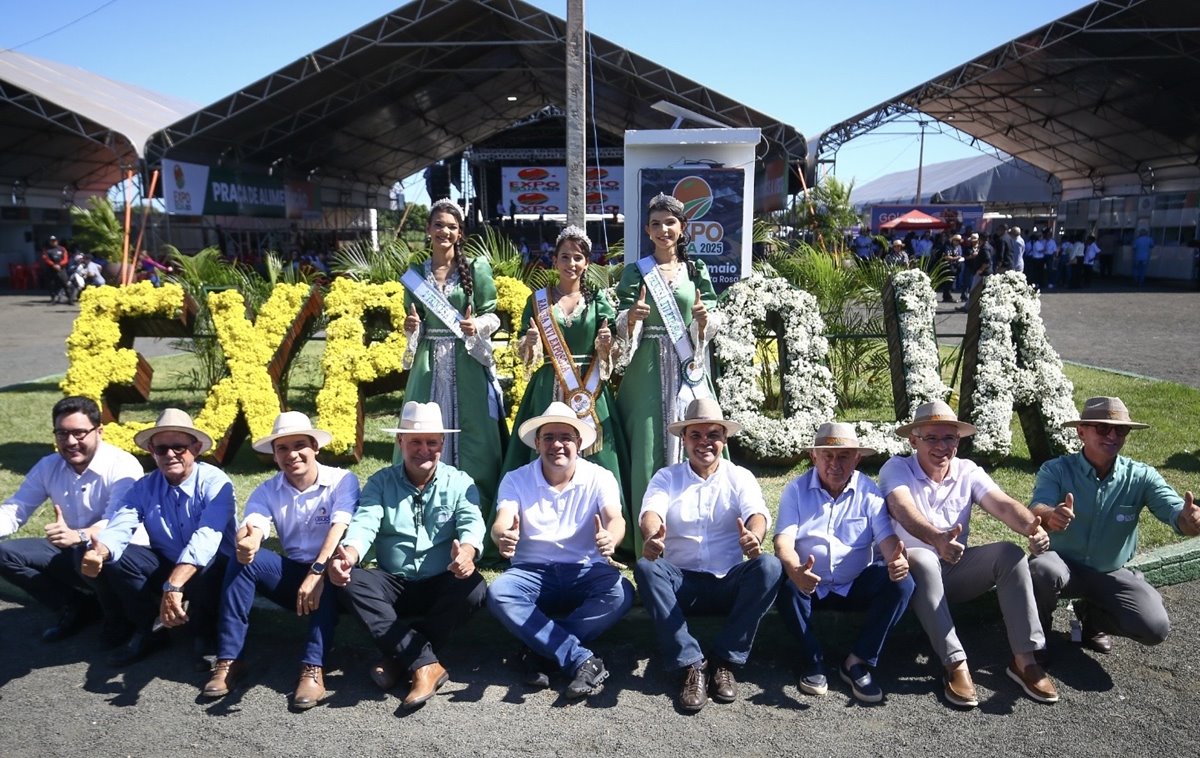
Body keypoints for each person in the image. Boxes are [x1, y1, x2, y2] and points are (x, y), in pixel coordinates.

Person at [880, 401, 1058, 708]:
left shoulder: (967, 471)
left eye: (949, 438)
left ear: (958, 441)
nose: (941, 446)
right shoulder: (896, 468)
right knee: (921, 558)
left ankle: (1024, 660)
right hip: (909, 577)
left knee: (1010, 554)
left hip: (953, 569)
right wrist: (936, 538)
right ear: (913, 440)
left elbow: (1002, 504)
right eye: (931, 438)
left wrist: (1032, 527)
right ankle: (955, 664)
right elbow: (902, 509)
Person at [329, 401, 485, 710]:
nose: (423, 449)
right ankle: (425, 664)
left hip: (442, 578)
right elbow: (365, 523)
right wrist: (349, 554)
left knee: (475, 588)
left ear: (443, 443)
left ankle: (400, 658)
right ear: (400, 442)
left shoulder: (460, 482)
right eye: (415, 441)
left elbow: (472, 524)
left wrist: (466, 554)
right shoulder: (380, 482)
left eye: (431, 442)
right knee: (350, 582)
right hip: (393, 582)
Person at [202, 412, 360, 710]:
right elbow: (255, 524)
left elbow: (341, 529)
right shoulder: (267, 490)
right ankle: (229, 658)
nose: (292, 455)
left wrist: (317, 572)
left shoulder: (342, 480)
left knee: (328, 573)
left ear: (315, 447)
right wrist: (248, 542)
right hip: (293, 575)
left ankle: (313, 667)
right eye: (282, 449)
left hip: (335, 570)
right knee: (243, 562)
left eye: (299, 445)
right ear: (274, 456)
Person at [634, 398, 782, 711]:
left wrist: (754, 537)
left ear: (724, 439)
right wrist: (652, 535)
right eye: (696, 436)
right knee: (647, 569)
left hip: (727, 580)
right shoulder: (667, 477)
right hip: (681, 582)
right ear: (684, 439)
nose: (705, 443)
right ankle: (691, 665)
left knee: (769, 566)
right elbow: (652, 512)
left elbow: (757, 513)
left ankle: (725, 661)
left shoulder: (739, 476)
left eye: (713, 435)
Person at [1029, 397, 1200, 657]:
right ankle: (1037, 636)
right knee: (1042, 569)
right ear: (1081, 431)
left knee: (1155, 627)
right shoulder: (1056, 470)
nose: (1112, 435)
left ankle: (1093, 620)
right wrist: (1051, 515)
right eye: (1102, 428)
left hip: (1109, 572)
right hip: (1061, 565)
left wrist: (1189, 521)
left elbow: (1175, 512)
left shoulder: (1141, 476)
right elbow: (1036, 508)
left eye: (1120, 429)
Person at [487, 401, 633, 700]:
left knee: (621, 593)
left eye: (566, 437)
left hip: (585, 570)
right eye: (549, 438)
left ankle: (540, 651)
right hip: (531, 571)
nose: (558, 445)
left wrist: (611, 538)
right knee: (499, 592)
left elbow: (615, 519)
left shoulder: (600, 477)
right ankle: (580, 658)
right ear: (537, 443)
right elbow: (502, 522)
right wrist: (503, 536)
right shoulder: (516, 478)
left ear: (578, 443)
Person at [501, 225, 630, 558]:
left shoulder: (599, 300)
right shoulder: (538, 302)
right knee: (544, 450)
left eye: (578, 257)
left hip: (590, 391)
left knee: (599, 455)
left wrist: (607, 346)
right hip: (548, 386)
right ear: (554, 261)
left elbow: (612, 348)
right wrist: (529, 344)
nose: (571, 263)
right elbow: (524, 352)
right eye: (564, 257)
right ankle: (533, 532)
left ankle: (607, 536)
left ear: (586, 263)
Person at [81, 408, 236, 669]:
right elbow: (122, 524)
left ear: (196, 448)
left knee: (210, 563)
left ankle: (205, 634)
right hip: (169, 564)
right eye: (161, 449)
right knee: (118, 559)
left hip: (212, 568)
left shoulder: (216, 481)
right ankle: (148, 628)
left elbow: (207, 538)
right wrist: (101, 552)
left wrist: (173, 585)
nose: (170, 454)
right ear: (152, 450)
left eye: (178, 447)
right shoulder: (144, 486)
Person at [613, 193, 721, 559]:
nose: (663, 230)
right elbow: (619, 321)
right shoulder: (636, 271)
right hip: (645, 368)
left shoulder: (697, 271)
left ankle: (693, 528)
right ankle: (648, 533)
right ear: (647, 230)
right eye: (656, 223)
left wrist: (705, 322)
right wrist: (632, 317)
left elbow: (712, 313)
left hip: (687, 365)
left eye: (670, 222)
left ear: (683, 227)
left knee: (695, 434)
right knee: (646, 443)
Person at [775, 422, 914, 704]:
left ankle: (857, 661)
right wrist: (795, 570)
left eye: (843, 456)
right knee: (786, 586)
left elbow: (886, 538)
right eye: (827, 456)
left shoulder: (869, 491)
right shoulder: (796, 490)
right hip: (809, 585)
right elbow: (783, 542)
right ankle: (813, 660)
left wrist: (895, 559)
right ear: (814, 456)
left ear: (857, 458)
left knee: (903, 583)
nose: (834, 464)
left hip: (854, 584)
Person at [397, 198, 507, 539]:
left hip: (467, 360)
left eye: (452, 226)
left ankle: (476, 516)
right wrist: (410, 326)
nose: (445, 231)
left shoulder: (476, 268)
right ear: (429, 229)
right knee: (422, 429)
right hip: (429, 362)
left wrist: (480, 326)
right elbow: (412, 321)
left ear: (460, 234)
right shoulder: (415, 275)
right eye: (439, 225)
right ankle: (421, 517)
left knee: (475, 437)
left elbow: (494, 314)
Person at [0, 396, 144, 643]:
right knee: (3, 553)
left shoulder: (123, 465)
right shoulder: (49, 466)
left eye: (79, 433)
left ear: (99, 431)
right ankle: (75, 606)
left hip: (122, 555)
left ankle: (122, 617)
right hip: (73, 550)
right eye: (62, 433)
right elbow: (16, 508)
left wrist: (79, 536)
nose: (70, 442)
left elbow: (117, 522)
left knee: (89, 549)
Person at [41, 235, 70, 303]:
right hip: (51, 269)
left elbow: (65, 259)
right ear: (49, 242)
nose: (53, 242)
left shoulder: (62, 249)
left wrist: (59, 265)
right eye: (52, 241)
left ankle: (70, 299)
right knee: (51, 285)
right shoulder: (46, 250)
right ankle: (53, 299)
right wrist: (53, 265)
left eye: (54, 241)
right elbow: (46, 259)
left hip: (61, 269)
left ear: (57, 241)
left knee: (65, 283)